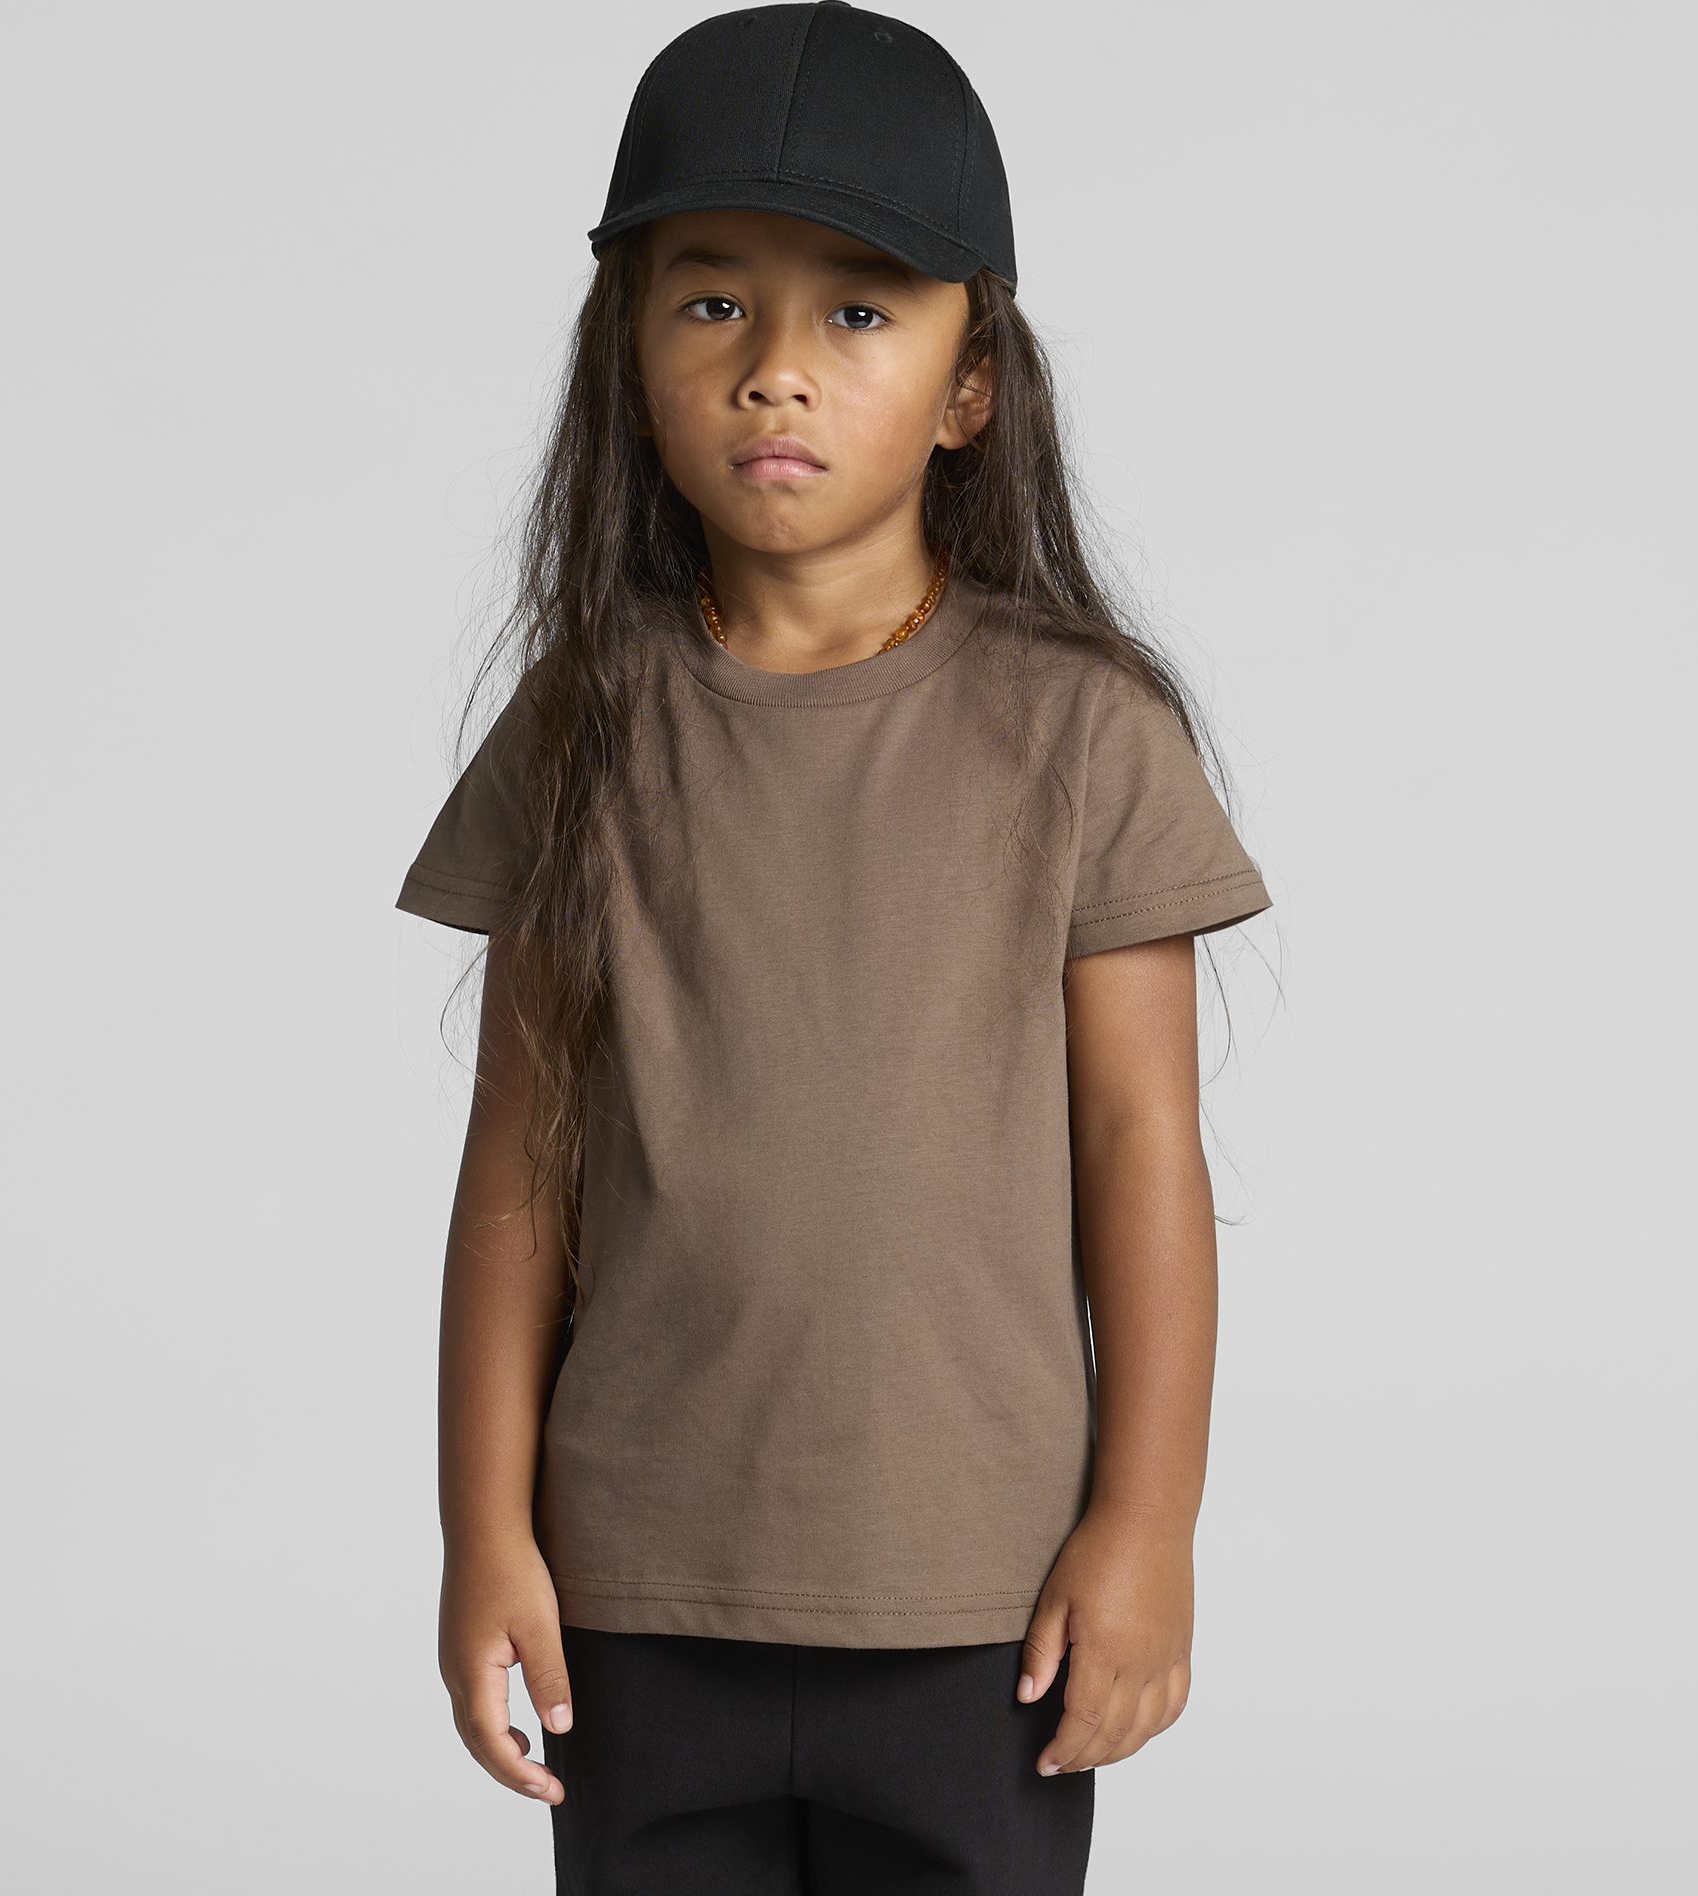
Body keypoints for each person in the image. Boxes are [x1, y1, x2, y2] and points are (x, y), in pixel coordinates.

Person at [394, 5, 1273, 1889]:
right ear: (630, 352)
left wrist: (1148, 1529)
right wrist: (483, 1531)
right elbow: (519, 1161)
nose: (775, 370)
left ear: (972, 384)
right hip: (635, 1594)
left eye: (859, 310)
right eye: (713, 303)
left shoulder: (1084, 730)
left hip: (982, 1611)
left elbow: (1143, 1152)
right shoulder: (585, 723)